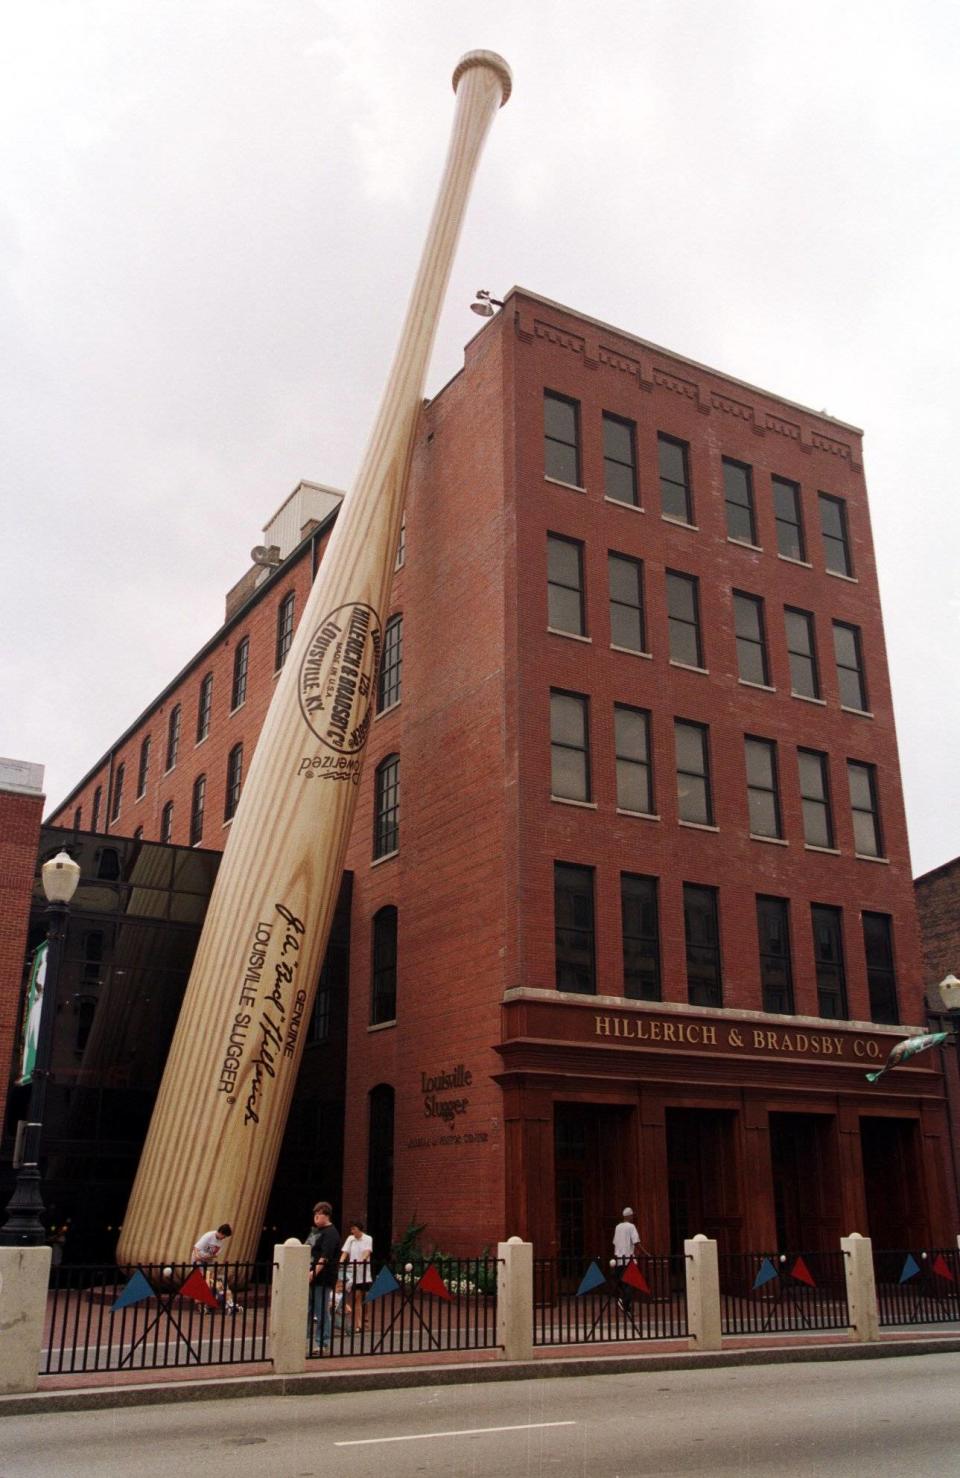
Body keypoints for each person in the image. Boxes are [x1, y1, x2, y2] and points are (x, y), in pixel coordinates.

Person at [306, 1201, 341, 1351]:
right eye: (314, 1214)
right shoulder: (315, 1232)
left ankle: (322, 1342)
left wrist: (314, 1273)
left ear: (326, 1215)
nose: (315, 1217)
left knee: (321, 1310)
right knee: (307, 1310)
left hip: (323, 1277)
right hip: (310, 1276)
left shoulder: (331, 1233)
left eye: (318, 1214)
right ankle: (303, 1341)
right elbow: (306, 1247)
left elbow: (325, 1257)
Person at [192, 1222, 240, 1312]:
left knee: (211, 1280)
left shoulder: (220, 1242)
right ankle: (201, 1304)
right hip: (199, 1259)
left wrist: (209, 1257)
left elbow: (215, 1255)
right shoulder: (209, 1236)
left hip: (208, 1261)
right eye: (224, 1236)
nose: (224, 1238)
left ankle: (210, 1302)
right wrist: (198, 1257)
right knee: (201, 1280)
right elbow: (196, 1247)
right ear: (221, 1232)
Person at [339, 1219, 374, 1331]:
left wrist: (361, 1261)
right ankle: (358, 1325)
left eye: (354, 1229)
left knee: (366, 1298)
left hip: (364, 1273)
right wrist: (341, 1262)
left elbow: (367, 1252)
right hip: (353, 1273)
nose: (352, 1231)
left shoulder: (368, 1238)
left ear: (359, 1229)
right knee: (357, 1297)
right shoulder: (350, 1239)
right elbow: (345, 1252)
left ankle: (366, 1319)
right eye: (352, 1229)